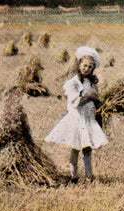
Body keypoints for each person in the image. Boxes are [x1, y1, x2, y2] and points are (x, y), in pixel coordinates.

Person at [45, 46, 108, 182]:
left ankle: (88, 175)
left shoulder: (88, 82)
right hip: (76, 119)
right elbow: (75, 102)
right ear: (79, 65)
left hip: (88, 119)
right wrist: (88, 96)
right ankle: (73, 174)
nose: (87, 69)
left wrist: (98, 102)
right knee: (75, 147)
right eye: (85, 65)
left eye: (90, 67)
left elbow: (94, 97)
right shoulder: (71, 83)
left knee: (87, 149)